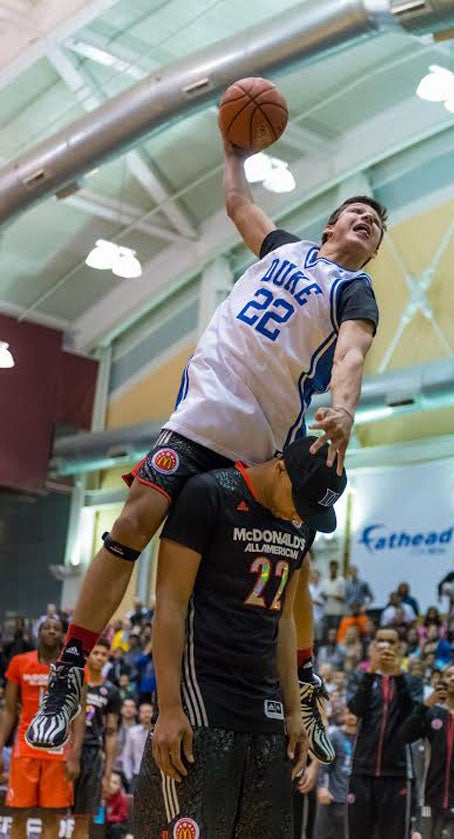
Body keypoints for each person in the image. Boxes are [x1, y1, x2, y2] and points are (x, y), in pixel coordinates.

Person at [27, 129, 387, 760]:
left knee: (291, 567)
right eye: (358, 213)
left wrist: (344, 410)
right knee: (135, 518)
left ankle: (303, 681)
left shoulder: (353, 292)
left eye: (376, 226)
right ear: (331, 223)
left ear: (372, 251)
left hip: (261, 448)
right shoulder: (280, 248)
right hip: (198, 419)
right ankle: (71, 667)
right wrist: (233, 152)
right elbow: (238, 204)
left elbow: (352, 354)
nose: (367, 221)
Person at [134, 436, 346, 836]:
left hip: (265, 711)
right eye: (300, 503)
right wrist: (169, 706)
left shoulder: (301, 523)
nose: (301, 515)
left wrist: (293, 711)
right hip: (201, 703)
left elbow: (284, 619)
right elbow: (171, 604)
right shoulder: (209, 494)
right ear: (282, 467)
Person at [0, 618, 81, 839]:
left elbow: (78, 713)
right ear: (38, 633)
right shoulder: (19, 662)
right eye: (47, 628)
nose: (52, 632)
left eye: (57, 629)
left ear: (64, 636)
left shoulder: (73, 666)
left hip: (59, 750)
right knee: (19, 814)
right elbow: (8, 710)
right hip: (25, 747)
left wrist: (75, 754)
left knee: (52, 817)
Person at [346, 627, 424, 839]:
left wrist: (397, 675)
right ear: (372, 646)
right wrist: (371, 672)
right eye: (380, 641)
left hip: (397, 773)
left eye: (391, 642)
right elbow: (356, 709)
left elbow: (412, 716)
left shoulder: (413, 682)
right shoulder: (359, 677)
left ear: (400, 648)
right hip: (362, 770)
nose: (385, 647)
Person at [399, 663, 454, 839]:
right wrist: (425, 705)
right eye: (449, 675)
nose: (453, 678)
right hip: (429, 798)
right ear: (441, 681)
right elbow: (404, 735)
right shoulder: (432, 713)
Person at [73, 637, 120, 839]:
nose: (100, 658)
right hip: (68, 749)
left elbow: (111, 732)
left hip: (92, 752)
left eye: (104, 655)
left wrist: (108, 772)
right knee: (55, 811)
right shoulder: (74, 684)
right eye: (96, 653)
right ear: (88, 655)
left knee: (83, 816)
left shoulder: (112, 691)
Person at [315, 708, 357, 839]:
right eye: (349, 712)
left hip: (355, 800)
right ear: (343, 715)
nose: (351, 716)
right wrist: (322, 787)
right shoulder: (335, 736)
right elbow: (324, 765)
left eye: (354, 713)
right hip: (335, 798)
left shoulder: (364, 739)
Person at [121, 701, 153, 792]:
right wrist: (129, 776)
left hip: (154, 775)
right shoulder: (132, 732)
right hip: (137, 774)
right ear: (139, 714)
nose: (146, 715)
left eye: (149, 712)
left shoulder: (158, 732)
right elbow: (127, 756)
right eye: (143, 712)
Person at [104, 771, 130, 839]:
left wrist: (108, 818)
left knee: (115, 828)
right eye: (109, 781)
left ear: (119, 786)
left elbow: (121, 816)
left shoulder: (122, 799)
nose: (111, 785)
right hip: (104, 825)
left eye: (115, 783)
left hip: (118, 824)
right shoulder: (102, 797)